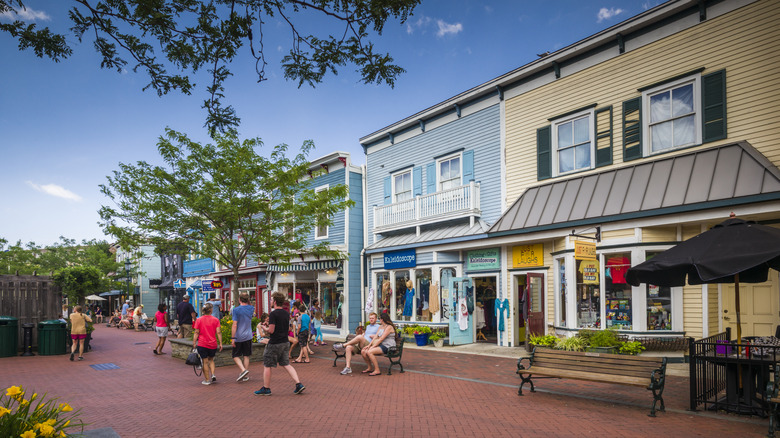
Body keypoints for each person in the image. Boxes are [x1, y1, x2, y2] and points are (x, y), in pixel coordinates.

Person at [253, 291, 305, 396]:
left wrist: (263, 327)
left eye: (272, 300)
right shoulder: (286, 313)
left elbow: (271, 331)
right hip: (285, 342)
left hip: (274, 343)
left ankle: (266, 388)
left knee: (267, 365)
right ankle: (298, 383)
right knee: (286, 364)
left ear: (275, 301)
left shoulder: (273, 314)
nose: (271, 301)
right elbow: (288, 328)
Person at [193, 303, 223, 385]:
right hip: (212, 343)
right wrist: (220, 343)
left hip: (202, 344)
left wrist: (194, 342)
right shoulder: (216, 320)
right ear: (210, 310)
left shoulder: (199, 320)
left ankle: (207, 380)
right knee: (211, 359)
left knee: (205, 361)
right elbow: (219, 332)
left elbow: (196, 332)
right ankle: (213, 374)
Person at [231, 293, 255, 382]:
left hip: (238, 336)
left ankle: (243, 370)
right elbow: (250, 305)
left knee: (235, 355)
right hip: (248, 336)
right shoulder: (251, 308)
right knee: (246, 355)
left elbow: (234, 325)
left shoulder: (236, 310)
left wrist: (233, 338)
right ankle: (245, 376)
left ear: (239, 299)